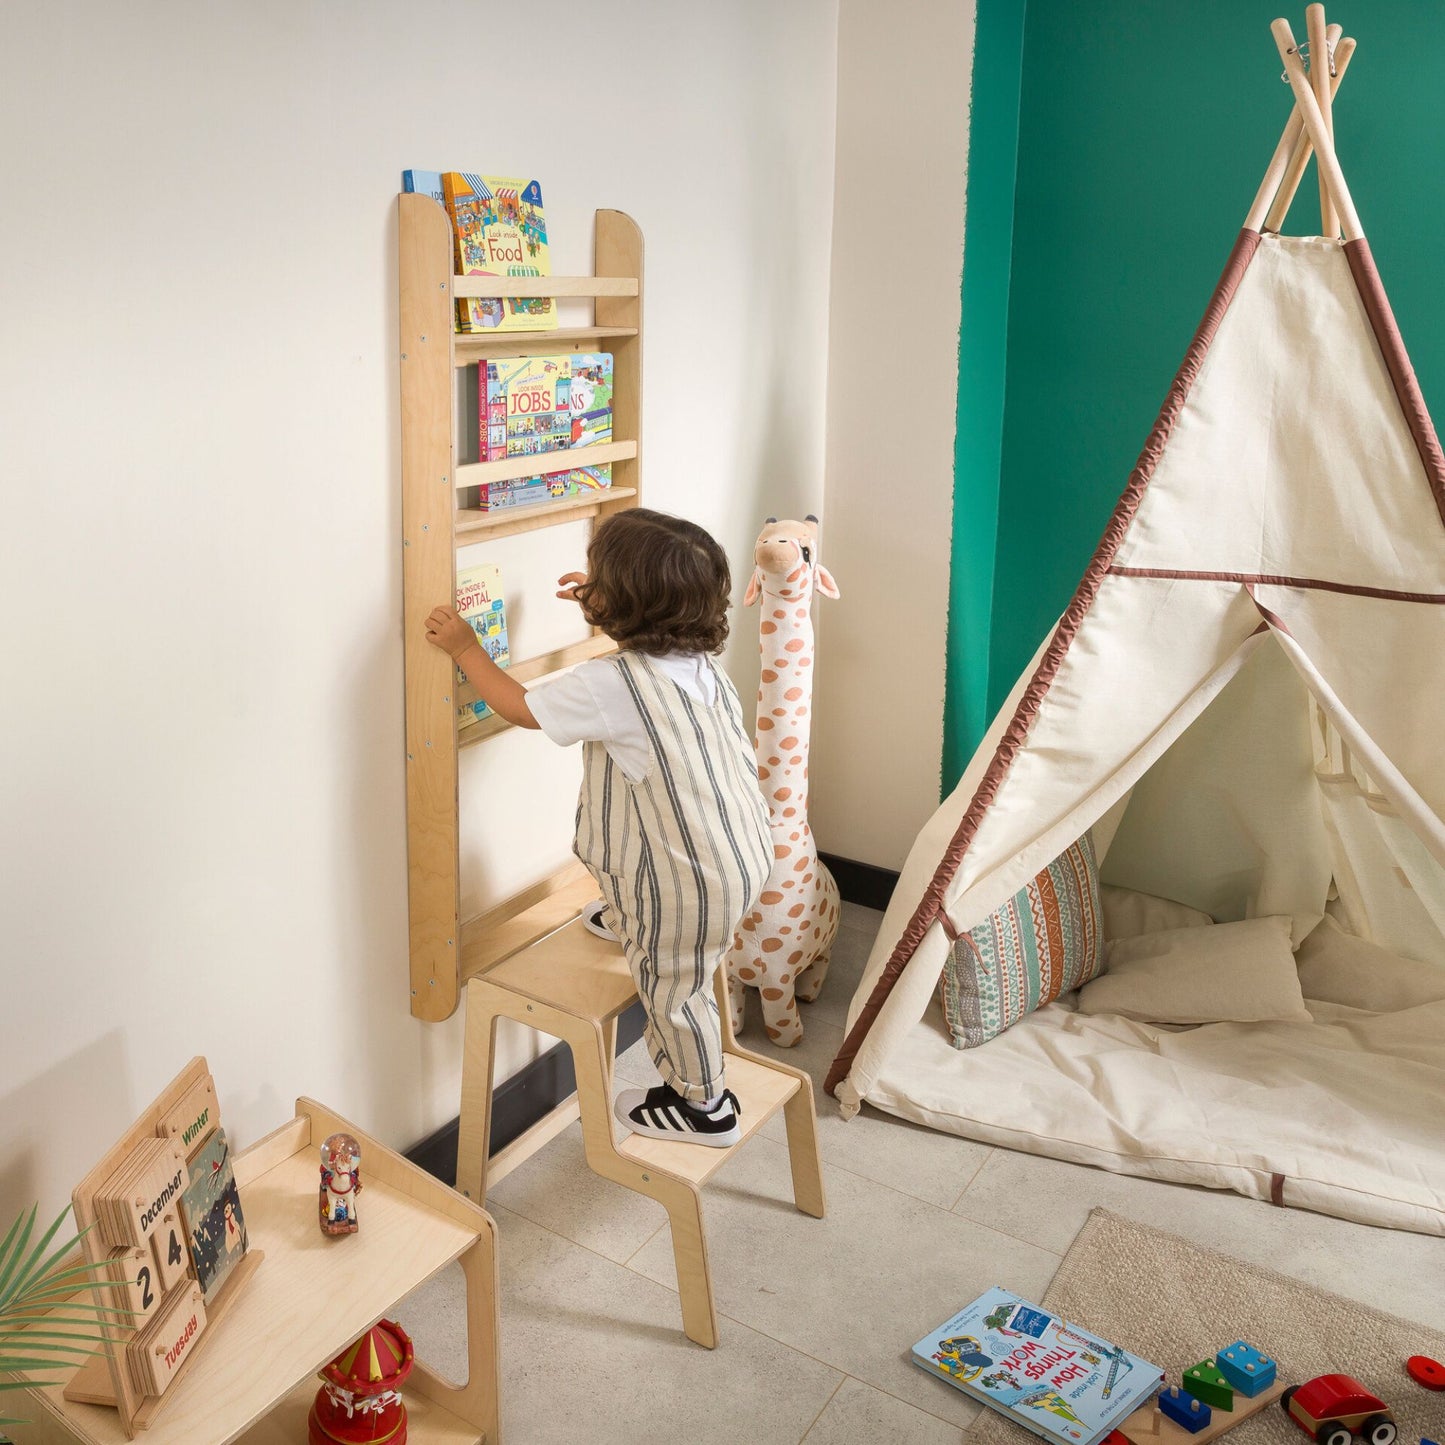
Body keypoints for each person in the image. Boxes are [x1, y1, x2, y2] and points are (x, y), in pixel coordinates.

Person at [424, 509, 771, 1147]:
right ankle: (628, 911)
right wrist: (606, 593)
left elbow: (521, 707)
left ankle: (703, 1105)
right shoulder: (700, 668)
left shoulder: (611, 686)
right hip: (741, 853)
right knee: (642, 830)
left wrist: (465, 649)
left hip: (690, 891)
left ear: (620, 606)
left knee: (673, 989)